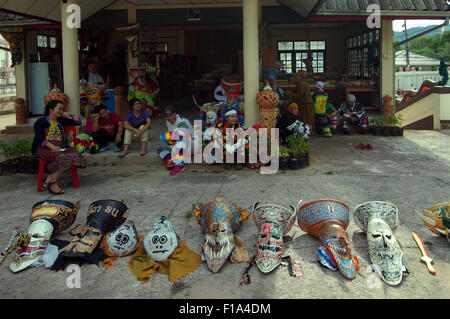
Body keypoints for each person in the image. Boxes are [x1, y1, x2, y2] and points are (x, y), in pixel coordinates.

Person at [32, 100, 86, 195]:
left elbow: (78, 122)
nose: (61, 111)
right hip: (45, 147)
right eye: (59, 109)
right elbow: (40, 138)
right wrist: (52, 146)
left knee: (75, 154)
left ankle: (50, 178)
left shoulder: (61, 120)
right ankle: (53, 184)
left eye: (62, 109)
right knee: (61, 155)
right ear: (51, 109)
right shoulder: (40, 122)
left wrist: (70, 115)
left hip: (60, 146)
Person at [157, 105, 196, 175]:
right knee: (160, 148)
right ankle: (171, 161)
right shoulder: (168, 121)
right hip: (180, 147)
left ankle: (179, 165)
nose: (169, 118)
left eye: (171, 115)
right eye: (167, 116)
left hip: (192, 145)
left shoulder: (182, 121)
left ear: (175, 113)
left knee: (179, 138)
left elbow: (182, 136)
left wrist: (167, 137)